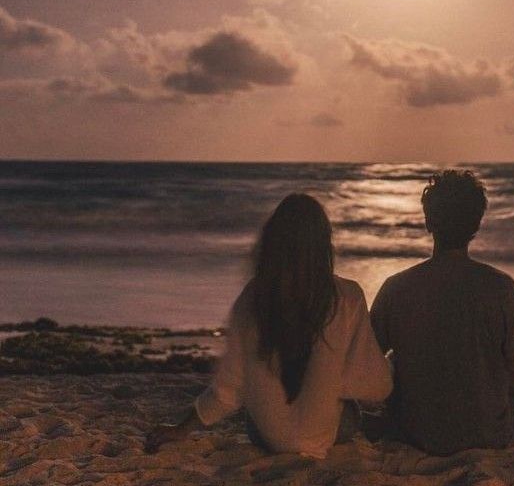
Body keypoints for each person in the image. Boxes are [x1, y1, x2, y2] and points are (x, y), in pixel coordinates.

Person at [146, 193, 392, 458]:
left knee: (255, 404)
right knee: (351, 410)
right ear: (323, 244)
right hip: (322, 437)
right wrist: (332, 378)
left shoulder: (254, 297)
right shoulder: (347, 296)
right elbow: (377, 386)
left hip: (267, 437)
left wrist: (182, 429)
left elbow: (228, 387)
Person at [370, 170, 514, 455]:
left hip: (414, 432)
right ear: (476, 225)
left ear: (429, 222)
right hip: (489, 433)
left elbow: (367, 360)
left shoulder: (397, 288)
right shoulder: (501, 288)